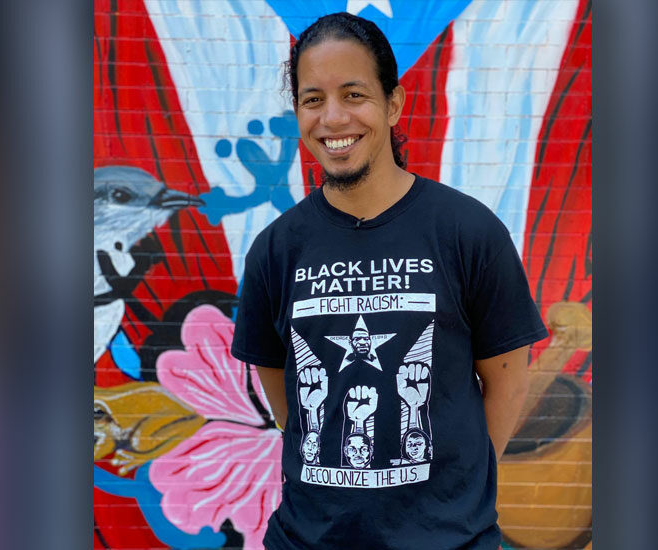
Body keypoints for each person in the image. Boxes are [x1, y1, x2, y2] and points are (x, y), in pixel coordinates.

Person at [230, 12, 548, 550]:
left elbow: (509, 384)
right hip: (307, 539)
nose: (333, 118)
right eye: (313, 99)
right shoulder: (277, 250)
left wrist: (452, 496)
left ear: (393, 103)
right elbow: (287, 399)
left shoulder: (467, 232)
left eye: (354, 95)